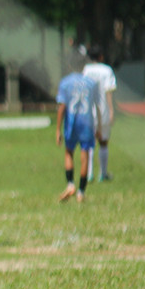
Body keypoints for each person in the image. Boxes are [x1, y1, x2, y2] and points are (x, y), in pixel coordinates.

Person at [56, 51, 101, 203]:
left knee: (69, 152)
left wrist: (57, 129)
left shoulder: (65, 83)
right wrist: (99, 126)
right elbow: (97, 106)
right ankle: (81, 192)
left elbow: (62, 107)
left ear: (69, 65)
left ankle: (70, 184)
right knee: (85, 155)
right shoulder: (91, 83)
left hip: (72, 123)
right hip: (87, 124)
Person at [82, 45, 117, 181]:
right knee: (103, 141)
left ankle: (88, 173)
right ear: (101, 56)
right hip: (103, 109)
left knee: (90, 142)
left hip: (89, 111)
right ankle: (102, 173)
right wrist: (111, 110)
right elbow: (108, 91)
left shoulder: (86, 70)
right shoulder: (107, 70)